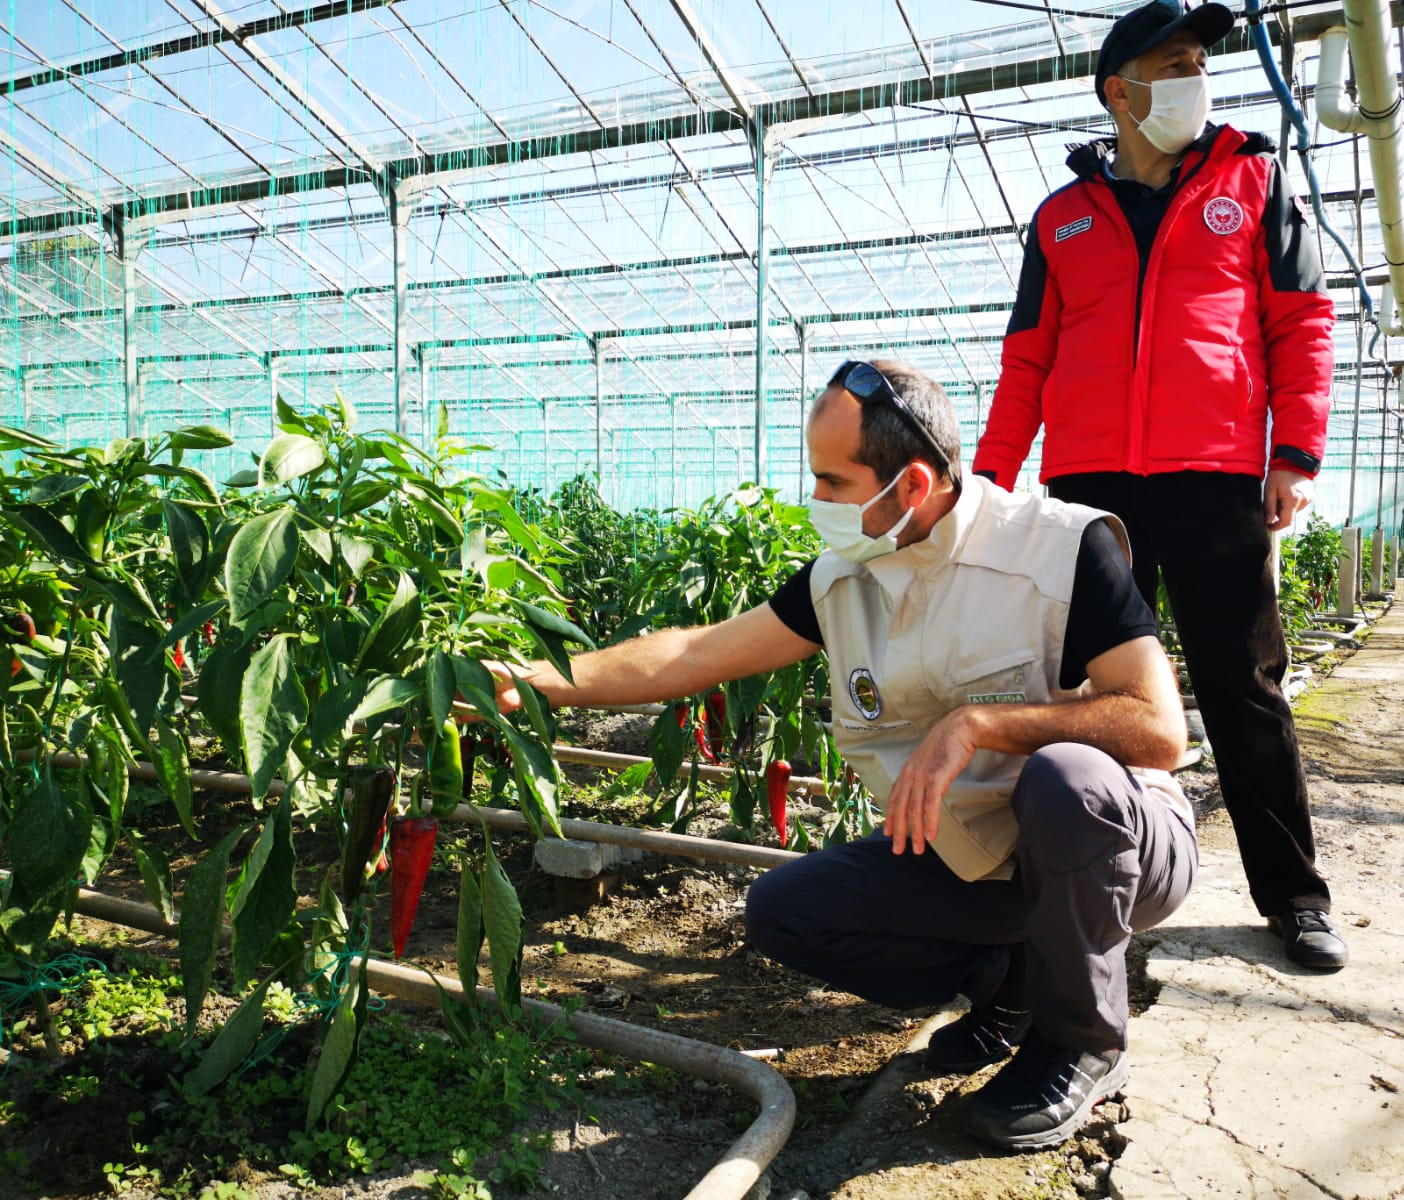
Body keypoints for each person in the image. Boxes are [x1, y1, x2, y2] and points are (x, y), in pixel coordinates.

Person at [480, 359, 1198, 1150]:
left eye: (832, 480)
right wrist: (546, 681)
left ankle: (1081, 1042)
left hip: (1121, 845)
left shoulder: (1059, 549)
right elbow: (694, 655)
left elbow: (1158, 729)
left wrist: (981, 724)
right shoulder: (844, 579)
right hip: (981, 857)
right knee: (789, 912)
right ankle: (1012, 983)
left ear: (913, 485)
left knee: (1069, 780)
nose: (815, 500)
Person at [971, 0, 1347, 969]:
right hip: (1088, 494)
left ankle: (1294, 897)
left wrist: (1293, 454)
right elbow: (1025, 362)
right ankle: (1064, 896)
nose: (1194, 77)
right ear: (1120, 90)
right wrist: (987, 483)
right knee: (1078, 695)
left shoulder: (1252, 180)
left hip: (1215, 475)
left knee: (1242, 687)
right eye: (1174, 63)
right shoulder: (1060, 219)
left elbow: (1301, 320)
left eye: (1198, 62)